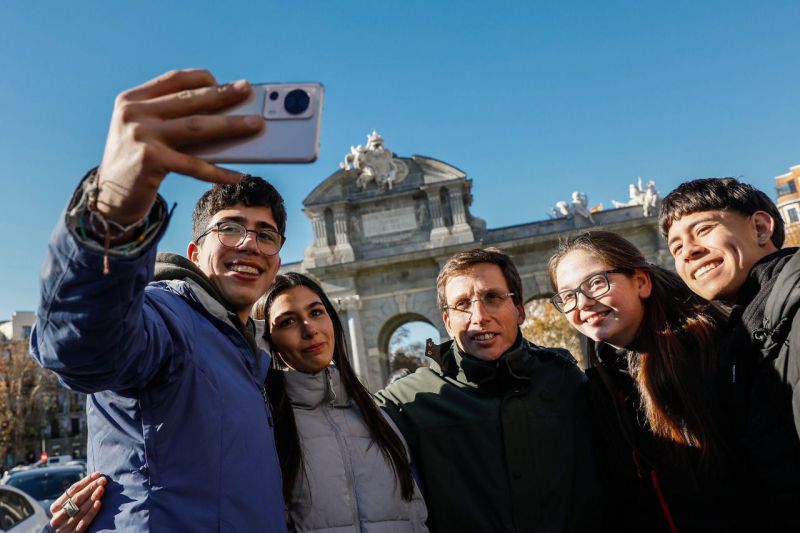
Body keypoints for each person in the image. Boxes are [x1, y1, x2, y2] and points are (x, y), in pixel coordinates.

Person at [30, 69, 286, 530]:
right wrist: (112, 213)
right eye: (229, 228)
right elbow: (83, 347)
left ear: (278, 262)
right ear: (195, 252)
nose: (249, 243)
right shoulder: (168, 318)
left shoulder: (254, 357)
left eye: (265, 235)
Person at [375, 247, 603, 533]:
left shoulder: (565, 379)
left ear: (519, 310)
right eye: (461, 304)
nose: (479, 316)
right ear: (447, 322)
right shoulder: (407, 401)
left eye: (492, 298)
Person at [549, 230, 756, 532]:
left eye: (596, 282)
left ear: (641, 282)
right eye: (567, 296)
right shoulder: (599, 387)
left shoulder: (713, 351)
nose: (583, 302)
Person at [660, 177, 800, 530]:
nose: (688, 251)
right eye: (675, 248)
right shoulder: (739, 340)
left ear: (760, 227)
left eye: (703, 229)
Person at [253, 272, 428, 531]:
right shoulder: (262, 426)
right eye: (288, 321)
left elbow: (414, 514)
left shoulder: (381, 418)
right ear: (268, 341)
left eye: (316, 313)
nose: (309, 329)